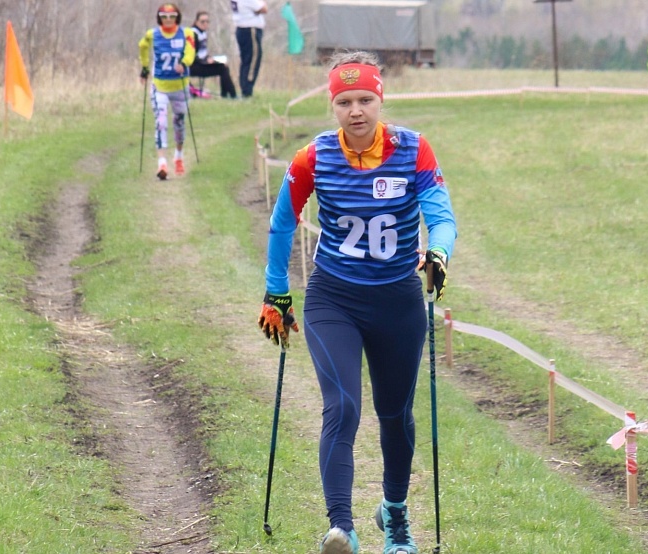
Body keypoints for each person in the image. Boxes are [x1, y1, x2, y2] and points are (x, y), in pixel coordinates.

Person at [257, 51, 457, 554]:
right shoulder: (314, 157)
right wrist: (276, 290)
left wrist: (439, 252)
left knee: (396, 415)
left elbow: (442, 215)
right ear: (333, 105)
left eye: (365, 99)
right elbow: (283, 223)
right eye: (344, 101)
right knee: (342, 406)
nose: (356, 111)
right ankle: (341, 529)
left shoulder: (414, 150)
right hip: (334, 299)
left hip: (398, 302)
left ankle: (394, 516)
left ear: (380, 99)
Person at [139, 3, 195, 180]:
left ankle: (178, 156)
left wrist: (184, 63)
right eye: (164, 17)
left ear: (177, 17)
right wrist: (145, 67)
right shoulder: (153, 35)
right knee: (160, 122)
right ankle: (161, 163)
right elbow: (142, 46)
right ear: (159, 18)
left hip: (179, 86)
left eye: (171, 17)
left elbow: (191, 52)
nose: (168, 20)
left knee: (179, 121)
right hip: (160, 86)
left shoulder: (187, 33)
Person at [190, 11, 237, 98]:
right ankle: (232, 95)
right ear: (196, 22)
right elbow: (191, 55)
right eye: (202, 21)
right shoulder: (193, 34)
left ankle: (226, 94)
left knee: (224, 66)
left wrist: (211, 59)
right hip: (194, 66)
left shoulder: (203, 33)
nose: (205, 24)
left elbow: (202, 52)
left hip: (202, 62)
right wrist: (205, 61)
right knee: (222, 69)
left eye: (207, 21)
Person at [231, 0, 268, 98]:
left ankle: (245, 88)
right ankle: (247, 90)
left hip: (242, 29)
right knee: (253, 59)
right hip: (250, 29)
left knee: (246, 60)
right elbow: (263, 8)